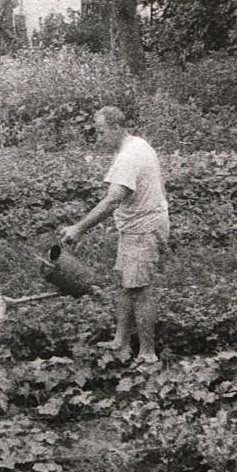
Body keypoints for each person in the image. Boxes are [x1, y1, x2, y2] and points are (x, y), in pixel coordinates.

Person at [60, 106, 169, 364]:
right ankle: (120, 340)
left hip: (143, 229)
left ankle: (147, 353)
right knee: (125, 284)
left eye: (100, 132)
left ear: (116, 128)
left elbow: (112, 200)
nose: (98, 138)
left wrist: (78, 228)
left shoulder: (129, 156)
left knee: (140, 289)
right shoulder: (136, 145)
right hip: (136, 226)